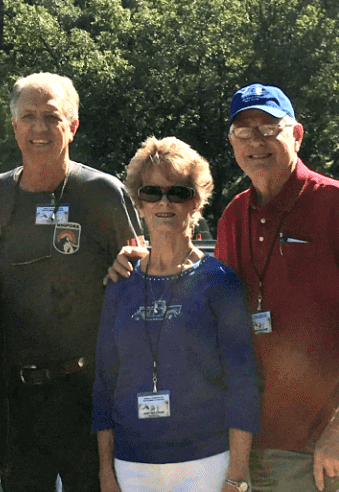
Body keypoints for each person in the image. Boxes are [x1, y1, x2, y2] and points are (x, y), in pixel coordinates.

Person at [217, 84, 339, 492]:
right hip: (239, 448)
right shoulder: (235, 215)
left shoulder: (337, 204)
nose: (256, 141)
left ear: (297, 134)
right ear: (232, 142)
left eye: (270, 128)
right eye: (244, 130)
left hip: (313, 452)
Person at [0, 73, 142, 492]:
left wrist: (126, 267)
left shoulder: (102, 193)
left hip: (86, 395)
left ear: (72, 126)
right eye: (28, 117)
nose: (38, 128)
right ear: (13, 125)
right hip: (16, 397)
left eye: (51, 117)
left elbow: (142, 275)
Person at [93, 137, 259, 492]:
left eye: (178, 192)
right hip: (132, 463)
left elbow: (242, 384)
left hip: (205, 463)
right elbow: (104, 383)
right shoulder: (120, 283)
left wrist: (238, 473)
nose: (164, 202)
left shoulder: (219, 281)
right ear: (138, 202)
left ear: (196, 202)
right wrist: (106, 470)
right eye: (152, 192)